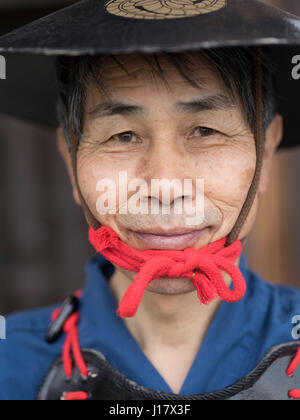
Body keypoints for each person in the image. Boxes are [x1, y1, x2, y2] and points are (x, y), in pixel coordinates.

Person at [0, 0, 300, 401]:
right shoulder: (11, 362)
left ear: (266, 153)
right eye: (122, 136)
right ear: (70, 160)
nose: (163, 186)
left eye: (205, 130)